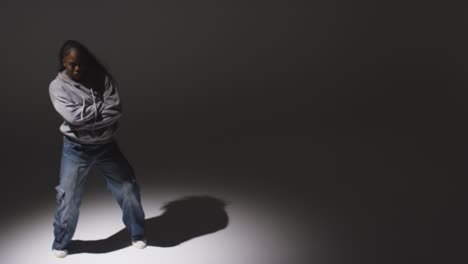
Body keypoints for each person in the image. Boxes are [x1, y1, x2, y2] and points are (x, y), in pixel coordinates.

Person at [48, 40, 146, 258]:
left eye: (81, 63)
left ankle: (138, 233)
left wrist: (84, 119)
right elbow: (72, 117)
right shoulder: (57, 86)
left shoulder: (102, 78)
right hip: (76, 149)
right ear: (62, 62)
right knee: (68, 196)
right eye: (71, 64)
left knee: (128, 187)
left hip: (106, 145)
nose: (77, 68)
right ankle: (61, 241)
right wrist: (99, 108)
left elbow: (116, 109)